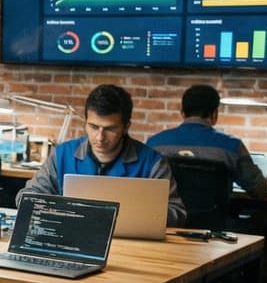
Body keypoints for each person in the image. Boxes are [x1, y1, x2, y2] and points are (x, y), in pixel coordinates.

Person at [20, 84, 184, 224]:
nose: (99, 137)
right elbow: (25, 198)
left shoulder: (152, 162)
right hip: (72, 240)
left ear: (126, 127)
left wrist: (132, 216)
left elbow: (177, 212)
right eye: (93, 126)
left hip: (132, 248)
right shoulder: (62, 154)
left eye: (110, 129)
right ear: (85, 122)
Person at [146, 84, 267, 197]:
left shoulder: (154, 144)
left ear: (182, 113)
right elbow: (260, 191)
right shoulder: (231, 146)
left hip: (167, 220)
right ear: (214, 114)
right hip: (214, 221)